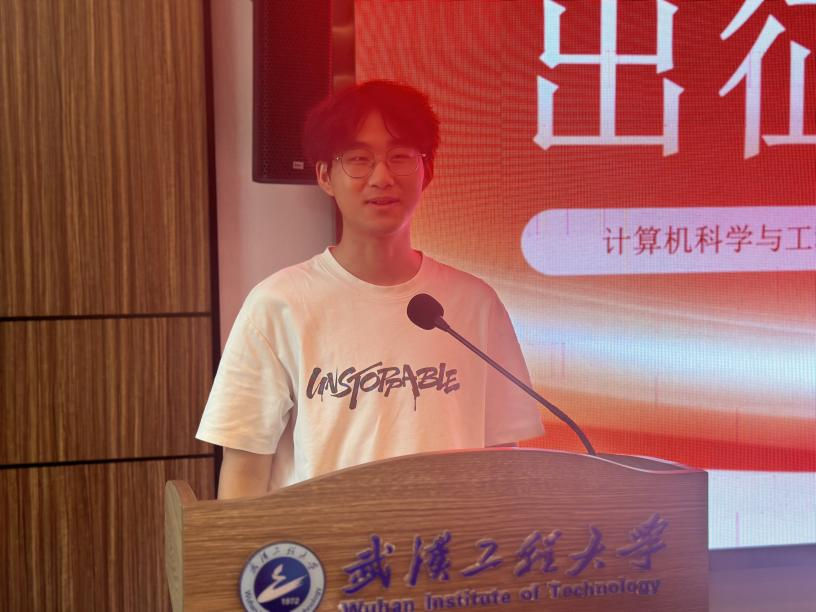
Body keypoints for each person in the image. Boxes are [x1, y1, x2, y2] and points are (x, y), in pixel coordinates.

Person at [196, 80, 543, 499]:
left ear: (427, 171)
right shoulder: (278, 304)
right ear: (325, 176)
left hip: (449, 540)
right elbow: (245, 469)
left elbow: (501, 457)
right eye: (358, 159)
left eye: (400, 157)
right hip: (324, 540)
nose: (381, 177)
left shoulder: (474, 303)